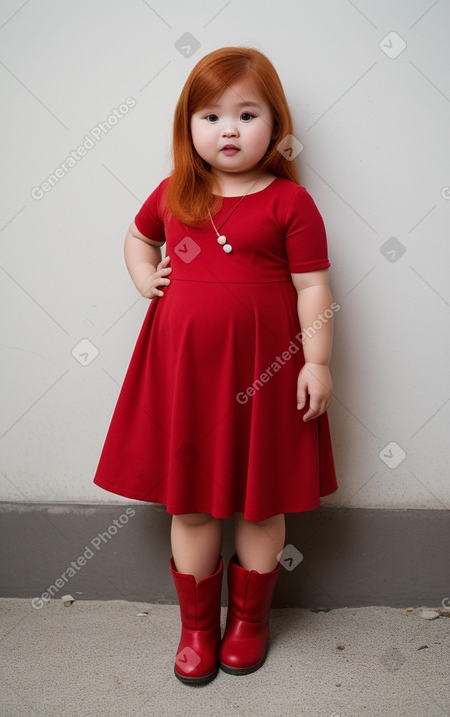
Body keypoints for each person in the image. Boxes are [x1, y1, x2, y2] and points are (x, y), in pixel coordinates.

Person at [93, 46, 338, 685]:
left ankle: (249, 623)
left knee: (261, 504)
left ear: (276, 128)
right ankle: (197, 628)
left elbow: (313, 289)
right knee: (194, 505)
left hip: (269, 371)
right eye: (211, 116)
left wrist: (317, 362)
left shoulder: (290, 204)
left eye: (247, 114)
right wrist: (145, 276)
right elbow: (136, 235)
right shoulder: (177, 194)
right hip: (188, 378)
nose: (228, 129)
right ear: (189, 128)